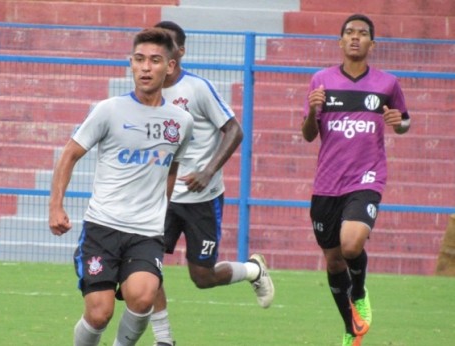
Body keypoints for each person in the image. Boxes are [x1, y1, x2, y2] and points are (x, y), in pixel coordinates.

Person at [49, 27, 194, 346]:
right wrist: (56, 206)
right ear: (130, 63)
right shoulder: (109, 110)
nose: (146, 67)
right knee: (99, 313)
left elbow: (172, 166)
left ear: (169, 66)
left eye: (155, 60)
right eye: (139, 59)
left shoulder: (181, 122)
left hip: (146, 232)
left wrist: (161, 209)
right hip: (103, 228)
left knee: (142, 298)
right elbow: (70, 154)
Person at [149, 21, 275, 346]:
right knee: (144, 265)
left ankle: (253, 271)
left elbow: (234, 131)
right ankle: (164, 340)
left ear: (179, 53)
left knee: (201, 277)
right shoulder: (145, 90)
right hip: (158, 198)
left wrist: (207, 171)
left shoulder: (197, 89)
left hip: (201, 198)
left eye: (166, 46)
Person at [302, 14, 411, 346]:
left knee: (351, 244)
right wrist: (311, 111)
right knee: (334, 259)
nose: (355, 38)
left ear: (371, 44)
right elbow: (308, 135)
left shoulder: (387, 84)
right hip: (327, 184)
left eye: (362, 34)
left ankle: (360, 290)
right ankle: (351, 327)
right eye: (349, 32)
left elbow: (404, 121)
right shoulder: (320, 81)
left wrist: (399, 122)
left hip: (367, 178)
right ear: (340, 41)